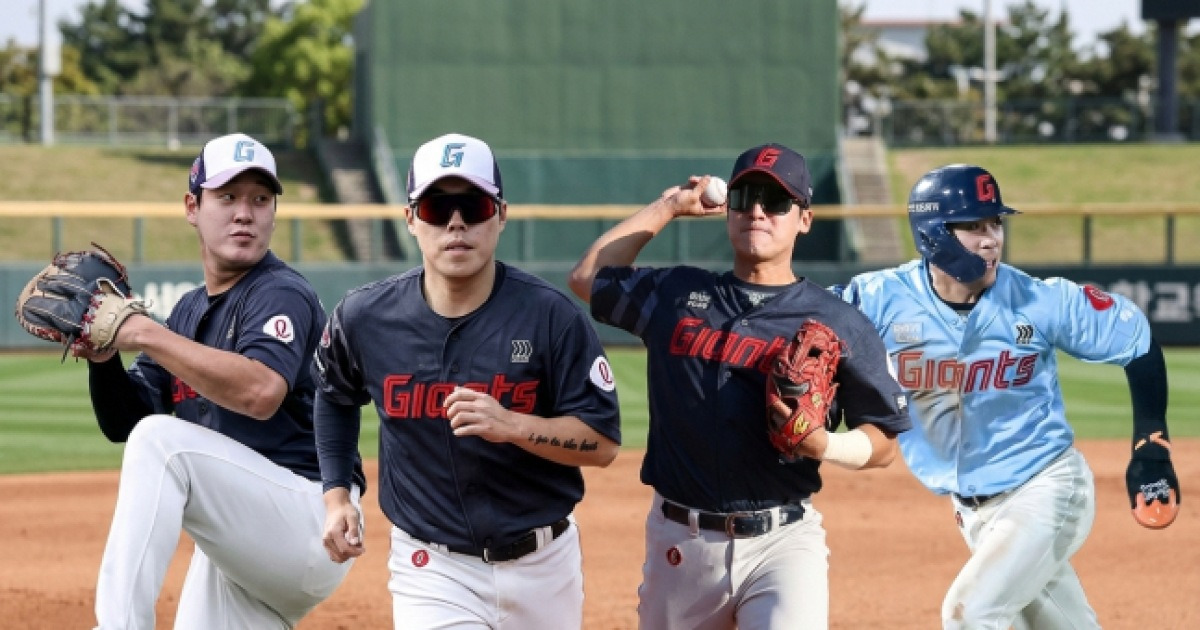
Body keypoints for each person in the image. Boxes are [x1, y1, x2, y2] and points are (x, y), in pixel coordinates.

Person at [567, 143, 911, 630]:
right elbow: (586, 277)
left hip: (783, 543)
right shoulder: (675, 294)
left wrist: (825, 443)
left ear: (804, 219)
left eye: (776, 202)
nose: (756, 212)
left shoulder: (839, 322)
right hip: (679, 542)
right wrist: (668, 207)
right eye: (745, 196)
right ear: (727, 209)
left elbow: (883, 442)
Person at [831, 163, 1181, 629]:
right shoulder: (876, 299)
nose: (992, 237)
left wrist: (1151, 446)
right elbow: (813, 331)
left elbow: (1135, 342)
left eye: (995, 222)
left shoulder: (1038, 299)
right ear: (934, 233)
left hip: (1047, 488)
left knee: (970, 612)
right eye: (974, 226)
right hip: (971, 511)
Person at [313, 132, 622, 630]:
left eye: (473, 205)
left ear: (500, 214)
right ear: (411, 218)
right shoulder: (364, 317)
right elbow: (334, 397)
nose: (456, 222)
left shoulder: (550, 317)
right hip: (431, 567)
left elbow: (603, 443)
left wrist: (514, 425)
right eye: (437, 207)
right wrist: (336, 495)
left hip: (544, 566)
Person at [78, 132, 360, 629]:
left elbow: (260, 392)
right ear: (193, 206)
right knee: (152, 437)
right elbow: (127, 421)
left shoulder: (281, 292)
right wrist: (103, 361)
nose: (245, 213)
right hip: (246, 541)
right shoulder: (187, 311)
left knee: (163, 444)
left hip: (309, 520)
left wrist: (144, 333)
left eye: (260, 199)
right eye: (227, 197)